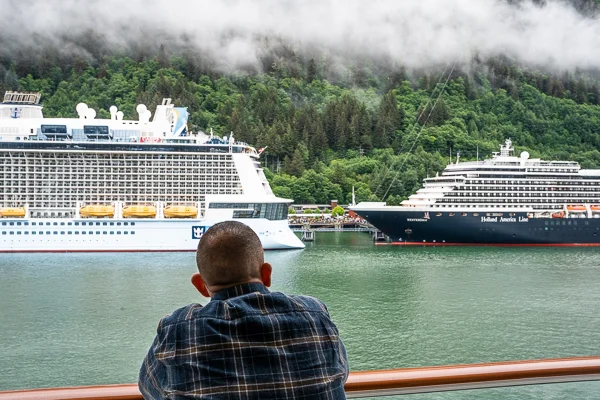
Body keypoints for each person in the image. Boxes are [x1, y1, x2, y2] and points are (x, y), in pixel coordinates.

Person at [139, 221, 349, 399]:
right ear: (266, 275)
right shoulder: (315, 314)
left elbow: (150, 388)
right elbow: (341, 372)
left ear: (201, 286)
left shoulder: (178, 329)